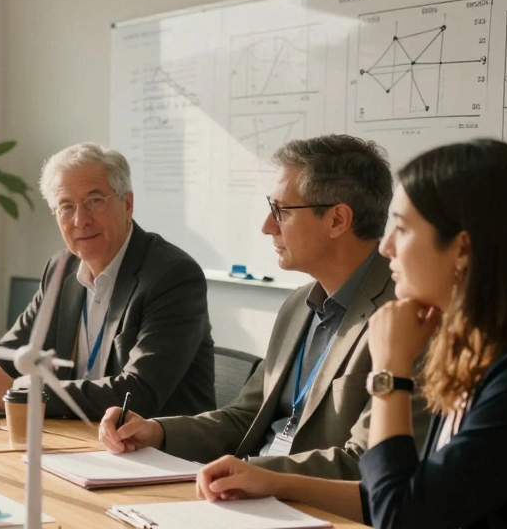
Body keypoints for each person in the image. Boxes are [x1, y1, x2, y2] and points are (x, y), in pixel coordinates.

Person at [194, 139, 507, 529]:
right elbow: (398, 492)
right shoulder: (475, 355)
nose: (385, 249)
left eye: (401, 230)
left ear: (461, 250)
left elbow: (400, 516)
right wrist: (272, 481)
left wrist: (389, 372)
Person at [101, 135, 431, 479]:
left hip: (311, 507)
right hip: (254, 491)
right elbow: (246, 416)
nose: (266, 226)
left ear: (337, 220)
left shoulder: (406, 319)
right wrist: (157, 432)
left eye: (281, 211)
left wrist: (253, 472)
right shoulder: (297, 306)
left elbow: (364, 462)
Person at [0, 141, 215, 418]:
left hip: (158, 452)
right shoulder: (61, 268)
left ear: (127, 204)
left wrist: (24, 393)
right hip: (75, 440)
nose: (80, 220)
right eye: (66, 207)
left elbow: (139, 393)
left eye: (94, 201)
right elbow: (14, 349)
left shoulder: (173, 276)